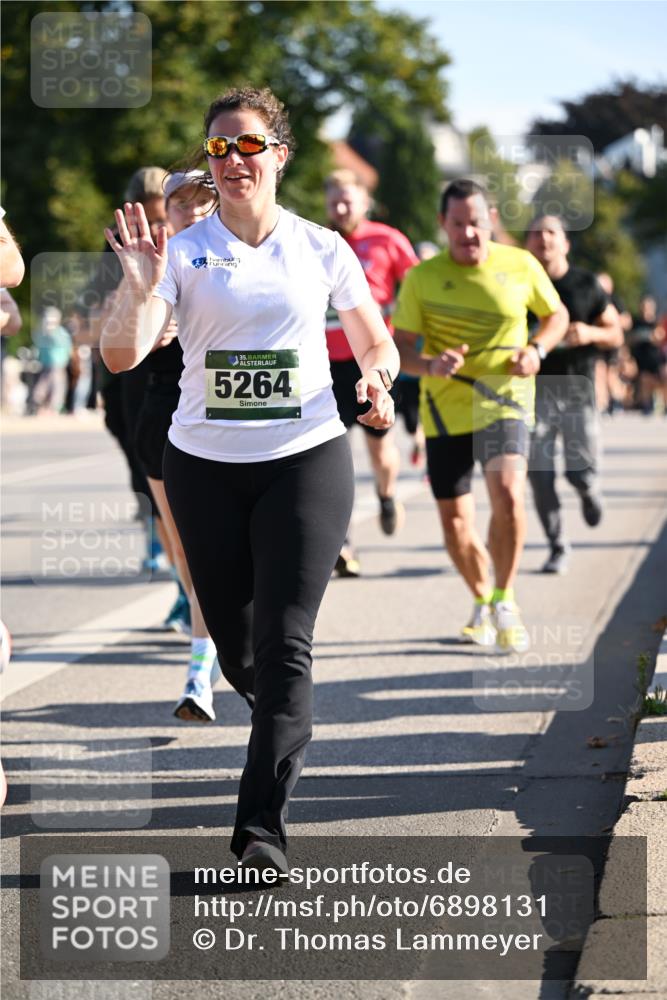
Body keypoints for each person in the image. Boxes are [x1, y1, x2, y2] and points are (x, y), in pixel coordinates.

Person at [100, 86, 398, 873]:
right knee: (239, 652)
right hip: (203, 468)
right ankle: (283, 717)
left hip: (306, 459)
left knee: (285, 645)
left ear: (279, 156)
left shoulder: (319, 248)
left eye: (249, 145)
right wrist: (138, 286)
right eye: (219, 148)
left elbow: (374, 340)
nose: (233, 159)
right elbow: (121, 355)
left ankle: (261, 828)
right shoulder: (181, 251)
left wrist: (377, 380)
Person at [393, 179, 568, 651]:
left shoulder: (521, 264)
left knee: (508, 494)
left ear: (490, 219)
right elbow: (400, 346)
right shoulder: (423, 278)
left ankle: (505, 598)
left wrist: (537, 350)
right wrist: (429, 364)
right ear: (442, 224)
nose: (468, 233)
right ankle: (481, 598)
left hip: (505, 400)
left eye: (475, 222)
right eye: (457, 224)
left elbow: (556, 316)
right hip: (444, 410)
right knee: (455, 524)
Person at [132, 169, 222, 721]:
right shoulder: (150, 263)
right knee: (189, 551)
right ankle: (199, 668)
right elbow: (115, 344)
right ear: (164, 212)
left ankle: (233, 640)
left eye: (200, 201)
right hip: (164, 418)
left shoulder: (244, 253)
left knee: (241, 550)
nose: (191, 211)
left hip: (233, 421)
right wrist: (144, 309)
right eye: (180, 203)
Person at [324, 169, 418, 576]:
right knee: (329, 456)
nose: (341, 208)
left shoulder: (387, 240)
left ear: (365, 202)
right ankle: (341, 543)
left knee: (380, 451)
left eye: (348, 201)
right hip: (325, 366)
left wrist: (398, 319)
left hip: (372, 364)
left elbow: (415, 287)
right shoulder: (319, 242)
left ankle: (386, 493)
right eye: (334, 202)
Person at [525, 216, 622, 574]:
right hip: (533, 392)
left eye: (551, 232)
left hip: (577, 389)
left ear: (565, 243)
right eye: (535, 233)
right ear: (527, 244)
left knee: (579, 472)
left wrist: (590, 334)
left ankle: (587, 489)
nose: (543, 239)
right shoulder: (518, 285)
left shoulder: (585, 284)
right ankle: (557, 545)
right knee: (539, 475)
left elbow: (615, 332)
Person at [595, 272, 632, 415]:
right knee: (599, 371)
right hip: (598, 341)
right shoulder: (593, 300)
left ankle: (616, 401)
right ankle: (602, 404)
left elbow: (627, 321)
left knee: (611, 373)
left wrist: (611, 322)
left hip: (612, 342)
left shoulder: (615, 301)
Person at [627, 295, 666, 415]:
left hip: (656, 359)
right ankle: (646, 404)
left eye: (648, 307)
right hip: (640, 359)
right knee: (644, 379)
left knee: (663, 379)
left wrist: (653, 337)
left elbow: (660, 337)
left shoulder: (657, 323)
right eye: (644, 307)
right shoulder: (636, 323)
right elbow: (629, 339)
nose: (646, 310)